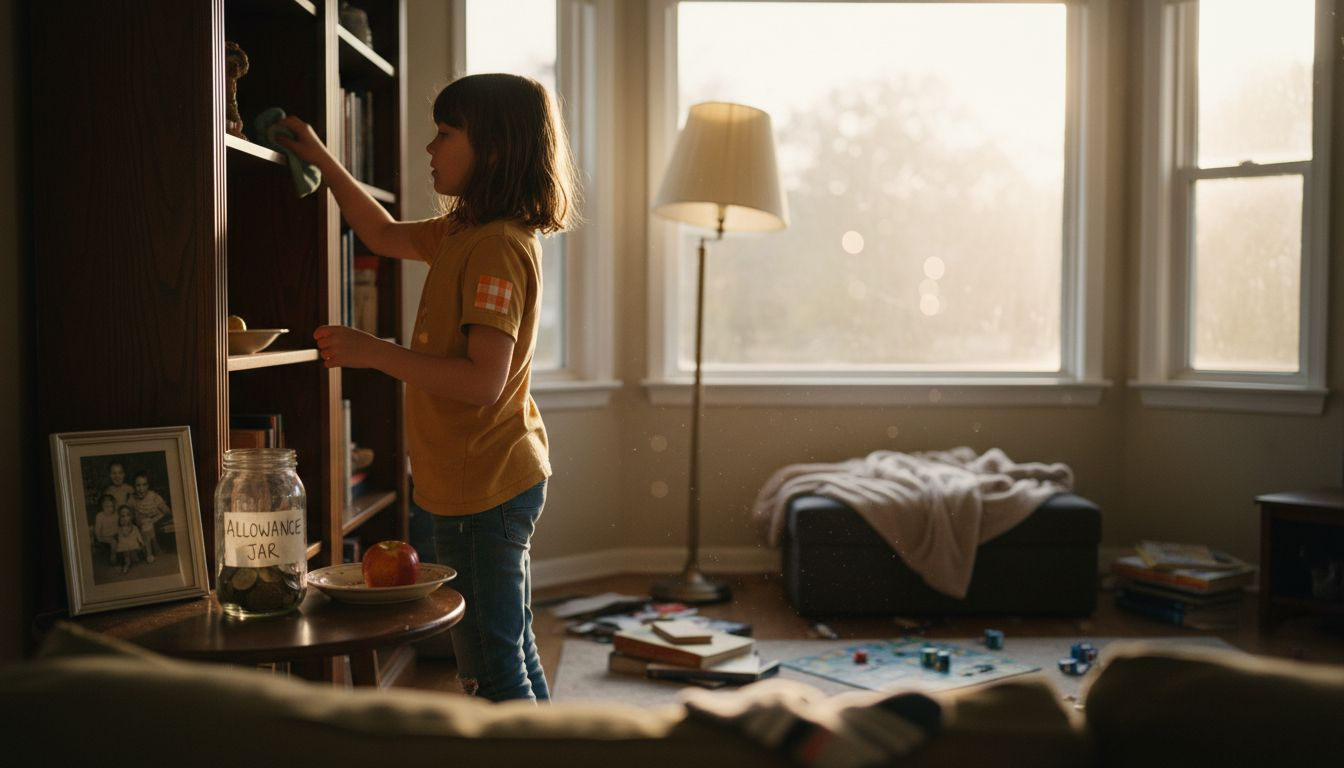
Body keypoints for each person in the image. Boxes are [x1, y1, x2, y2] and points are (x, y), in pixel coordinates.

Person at [273, 72, 579, 702]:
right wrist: (325, 160)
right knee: (512, 641)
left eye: (444, 134)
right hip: (478, 482)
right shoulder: (462, 233)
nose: (430, 149)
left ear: (491, 149)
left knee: (489, 667)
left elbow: (481, 381)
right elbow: (381, 234)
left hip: (483, 489)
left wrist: (374, 353)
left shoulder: (495, 248)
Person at [129, 472, 170, 562]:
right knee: (144, 526)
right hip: (142, 527)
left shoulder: (154, 496)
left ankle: (152, 551)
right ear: (133, 486)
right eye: (138, 485)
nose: (141, 489)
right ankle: (152, 549)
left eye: (144, 485)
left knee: (147, 525)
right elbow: (131, 517)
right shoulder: (132, 499)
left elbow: (167, 512)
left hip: (157, 522)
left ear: (148, 485)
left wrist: (153, 519)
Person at [113, 506, 144, 574]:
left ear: (131, 517)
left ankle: (133, 557)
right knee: (126, 556)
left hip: (132, 544)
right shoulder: (119, 528)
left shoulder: (134, 527)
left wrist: (141, 541)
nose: (125, 518)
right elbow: (120, 535)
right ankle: (126, 565)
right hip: (125, 545)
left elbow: (138, 534)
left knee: (134, 556)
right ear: (120, 518)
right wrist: (122, 528)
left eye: (128, 515)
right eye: (123, 516)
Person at [93, 494, 120, 566]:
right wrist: (99, 538)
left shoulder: (115, 514)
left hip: (115, 534)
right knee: (113, 542)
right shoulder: (100, 515)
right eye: (106, 507)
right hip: (104, 536)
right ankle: (113, 559)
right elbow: (97, 528)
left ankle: (129, 556)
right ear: (102, 506)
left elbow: (118, 526)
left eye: (111, 506)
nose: (109, 509)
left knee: (126, 537)